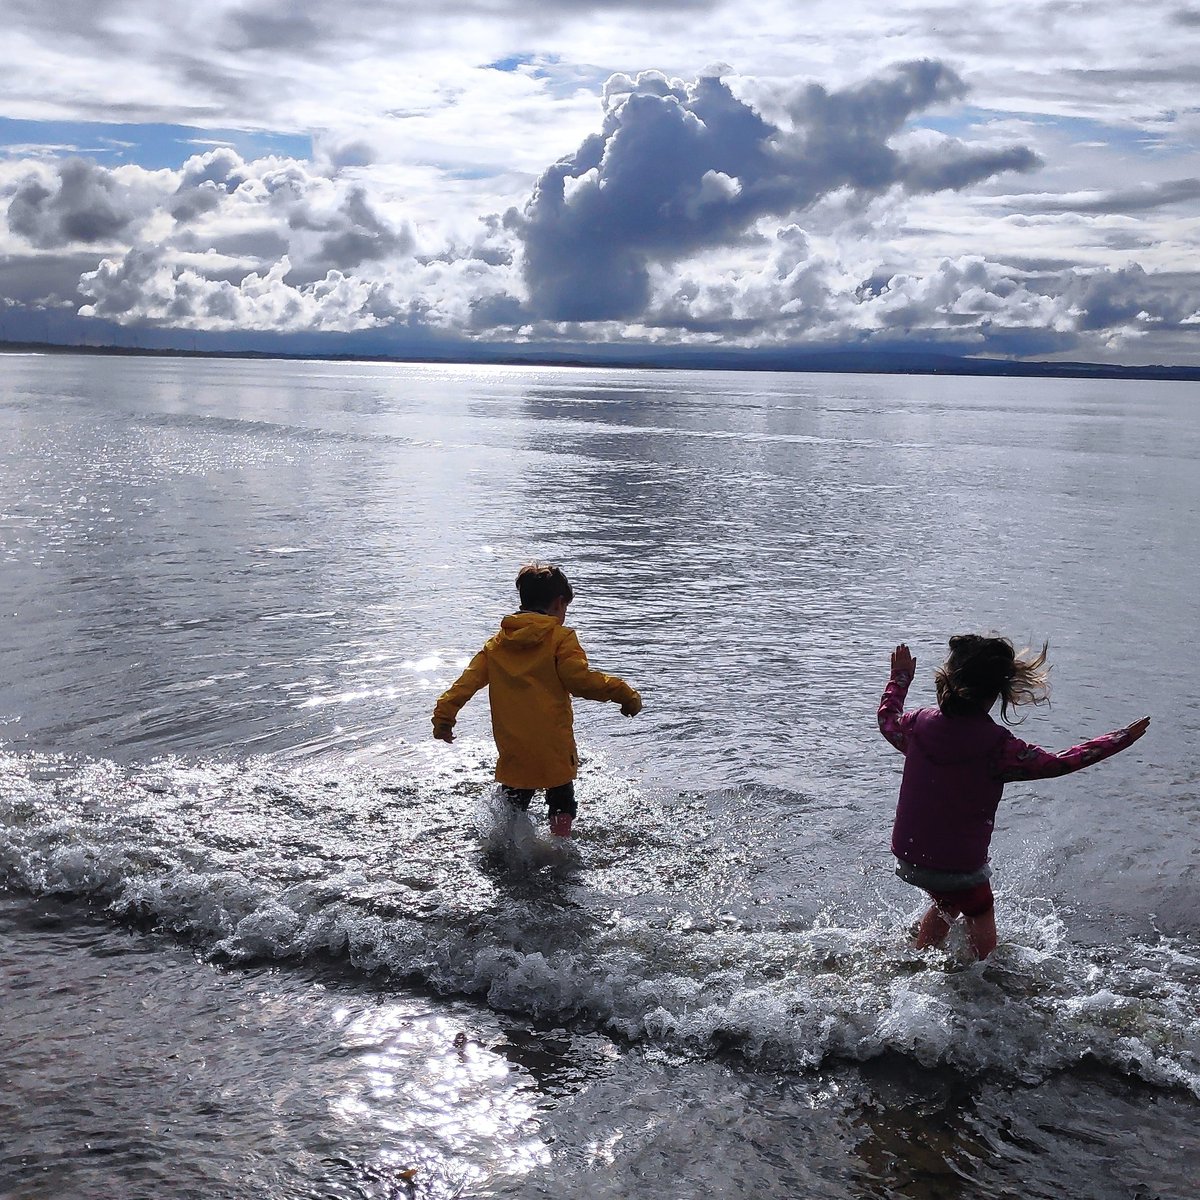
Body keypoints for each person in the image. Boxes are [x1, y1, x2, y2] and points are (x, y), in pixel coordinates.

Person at [878, 635, 1149, 960]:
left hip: (910, 858)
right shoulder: (1000, 748)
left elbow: (887, 720)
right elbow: (1059, 763)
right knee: (979, 915)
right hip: (960, 870)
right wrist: (1118, 739)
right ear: (999, 692)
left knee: (946, 900)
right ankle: (982, 973)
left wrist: (900, 678)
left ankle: (921, 956)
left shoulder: (918, 725)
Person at [432, 563, 642, 837]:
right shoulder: (560, 639)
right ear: (558, 603)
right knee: (561, 800)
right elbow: (580, 681)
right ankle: (559, 845)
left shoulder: (497, 645)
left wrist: (444, 718)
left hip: (514, 749)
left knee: (512, 803)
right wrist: (624, 693)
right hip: (553, 747)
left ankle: (505, 844)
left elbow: (465, 685)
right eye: (565, 608)